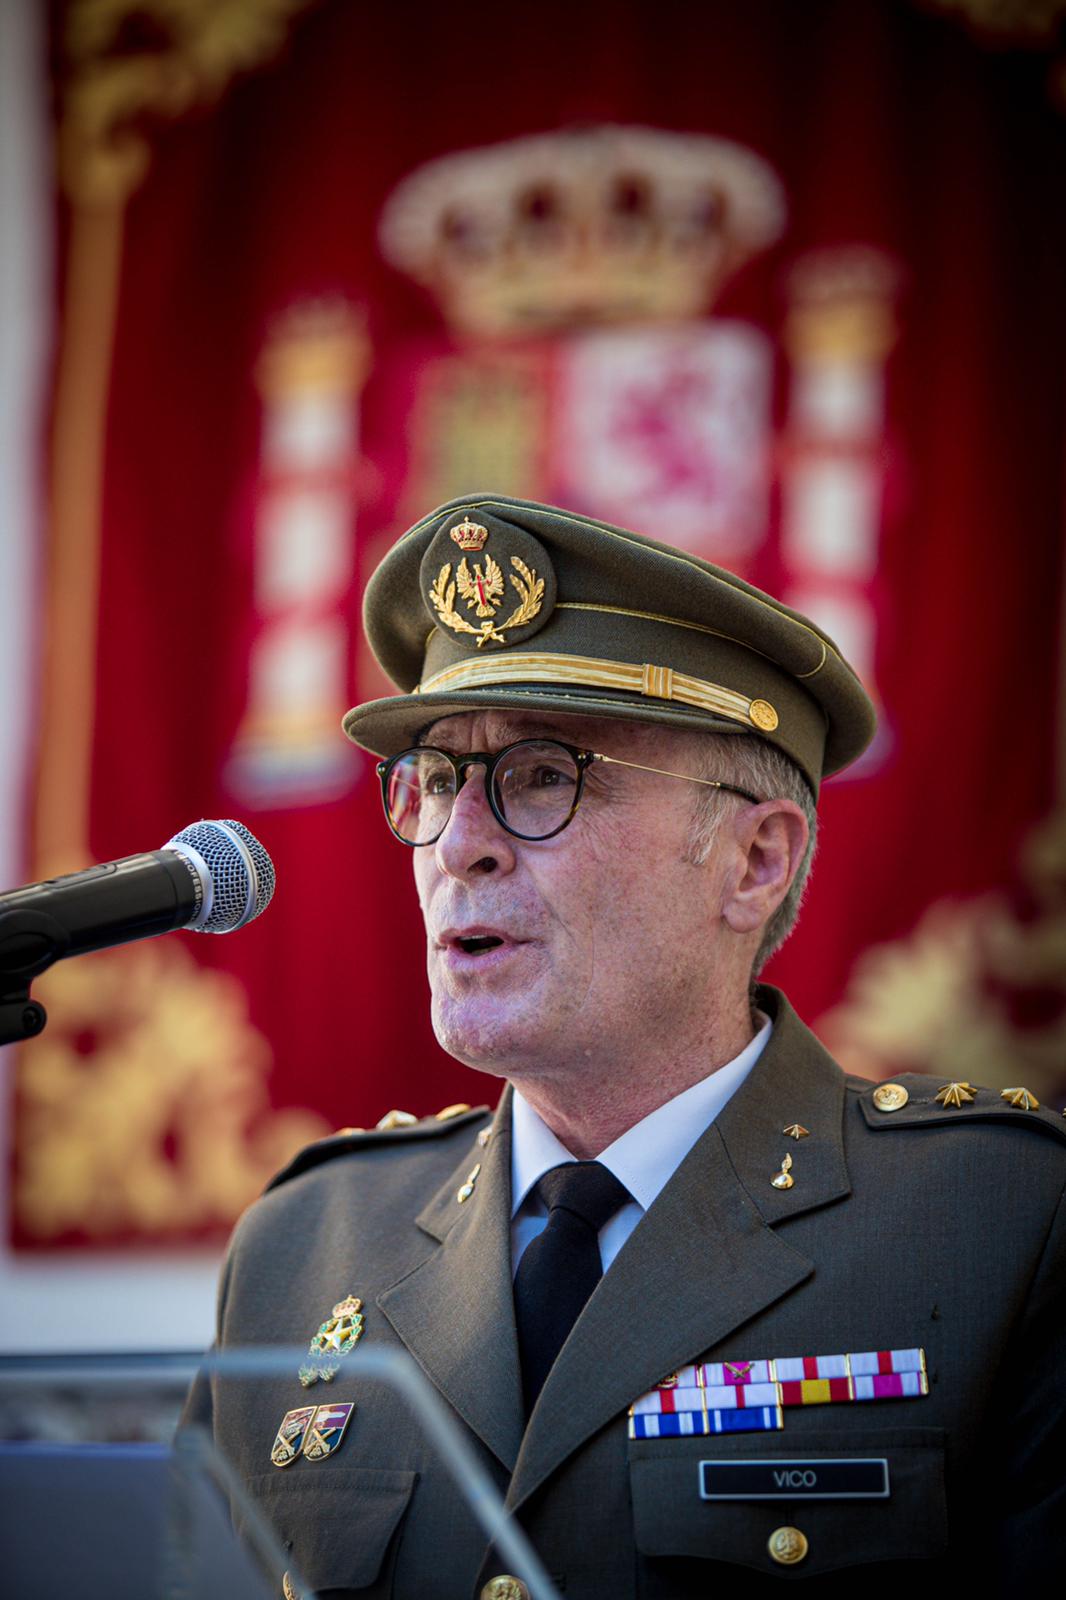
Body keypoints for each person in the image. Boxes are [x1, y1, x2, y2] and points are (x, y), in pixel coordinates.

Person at [183, 495, 1065, 1598]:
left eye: (543, 775)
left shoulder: (999, 1224)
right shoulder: (303, 1245)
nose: (458, 845)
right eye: (439, 781)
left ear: (754, 861)